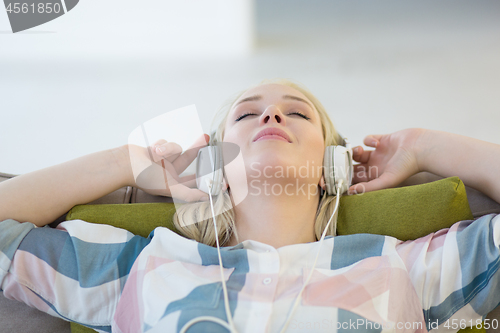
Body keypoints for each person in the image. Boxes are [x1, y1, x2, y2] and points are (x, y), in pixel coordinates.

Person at [0, 78, 499, 332]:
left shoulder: (398, 268)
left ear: (334, 167)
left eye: (297, 112)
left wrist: (426, 146)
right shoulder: (145, 266)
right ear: (215, 166)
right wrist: (128, 161)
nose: (273, 113)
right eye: (247, 113)